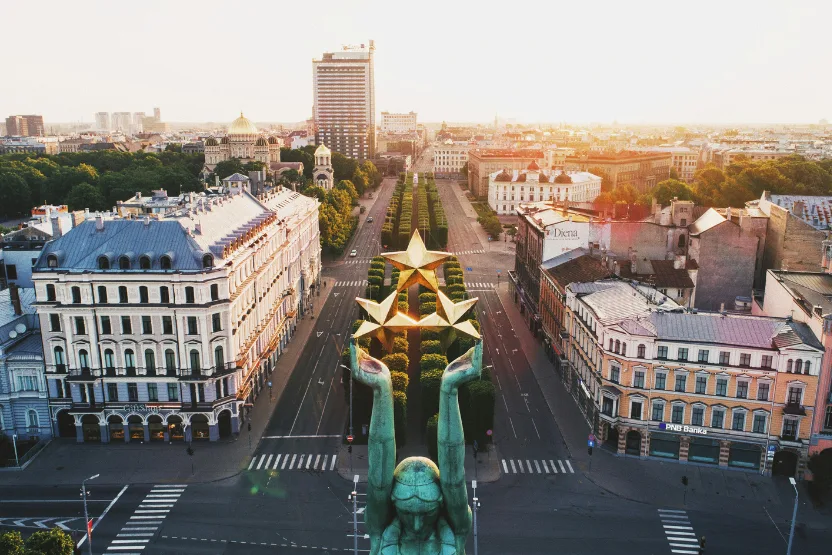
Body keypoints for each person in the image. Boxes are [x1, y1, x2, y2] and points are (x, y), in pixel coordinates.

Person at [350, 339, 481, 554]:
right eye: (407, 513)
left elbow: (453, 478)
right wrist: (382, 390)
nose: (417, 524)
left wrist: (450, 390)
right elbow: (378, 480)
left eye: (426, 513)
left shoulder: (458, 528)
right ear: (394, 504)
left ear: (440, 503)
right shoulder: (379, 527)